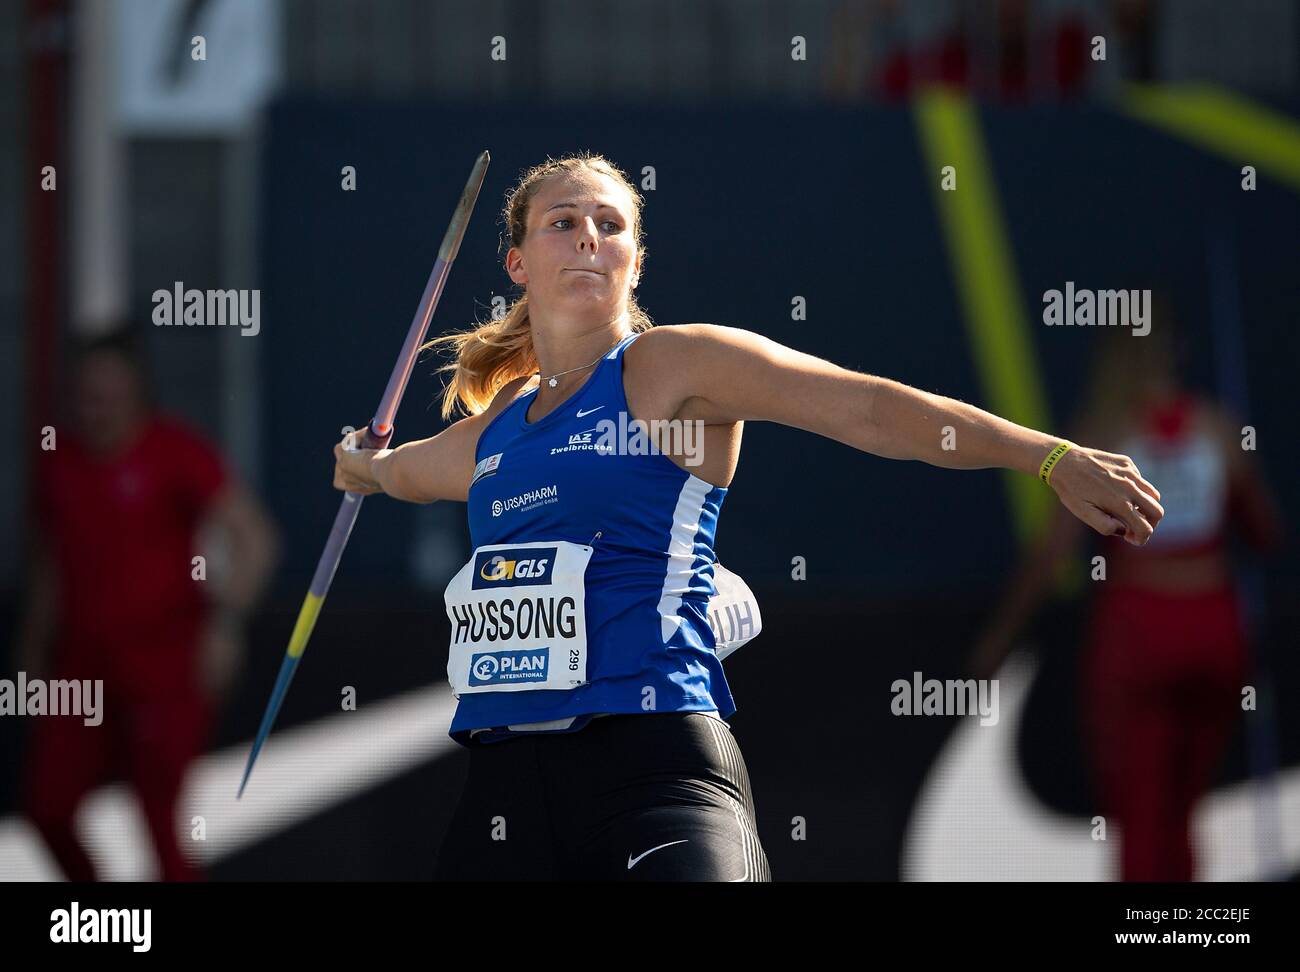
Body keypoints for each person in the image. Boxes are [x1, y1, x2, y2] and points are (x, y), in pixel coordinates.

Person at [331, 153, 1163, 881]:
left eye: (609, 222)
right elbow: (404, 472)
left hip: (649, 767)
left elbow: (866, 409)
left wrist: (1047, 456)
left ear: (634, 259)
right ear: (517, 261)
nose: (588, 234)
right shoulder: (501, 426)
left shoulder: (667, 369)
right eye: (562, 221)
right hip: (505, 786)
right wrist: (359, 464)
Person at [971, 314, 1284, 880]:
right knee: (1184, 808)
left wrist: (1000, 635)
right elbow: (1265, 533)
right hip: (1214, 629)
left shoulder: (1103, 437)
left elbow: (1051, 555)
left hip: (1139, 634)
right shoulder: (1217, 427)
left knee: (1140, 809)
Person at [17, 330, 280, 881]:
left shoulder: (174, 450)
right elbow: (51, 564)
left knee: (158, 820)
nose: (99, 412)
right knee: (47, 808)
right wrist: (33, 649)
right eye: (89, 398)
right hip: (81, 670)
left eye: (112, 398)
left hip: (165, 666)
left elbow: (254, 536)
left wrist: (225, 624)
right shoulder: (59, 462)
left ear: (138, 396)